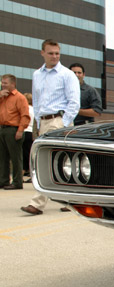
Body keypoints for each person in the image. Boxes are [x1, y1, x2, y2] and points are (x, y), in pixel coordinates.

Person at [21, 39, 80, 216]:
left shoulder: (67, 75)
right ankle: (71, 199)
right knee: (59, 162)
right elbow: (37, 101)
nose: (54, 56)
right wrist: (38, 124)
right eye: (51, 53)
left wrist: (64, 123)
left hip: (59, 120)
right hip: (44, 122)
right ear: (42, 53)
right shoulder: (37, 75)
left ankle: (37, 204)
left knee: (49, 161)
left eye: (57, 53)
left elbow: (74, 102)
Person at [0, 74, 30, 190]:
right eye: (2, 83)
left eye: (5, 83)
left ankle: (17, 182)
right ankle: (3, 180)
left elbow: (25, 116)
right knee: (2, 157)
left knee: (15, 157)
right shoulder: (2, 97)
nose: (3, 85)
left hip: (13, 130)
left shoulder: (19, 97)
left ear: (13, 84)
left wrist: (20, 130)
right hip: (2, 129)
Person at [22, 93, 34, 182]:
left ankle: (22, 173)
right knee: (29, 154)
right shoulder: (34, 109)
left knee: (23, 155)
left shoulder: (26, 109)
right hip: (31, 132)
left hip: (25, 131)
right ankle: (30, 173)